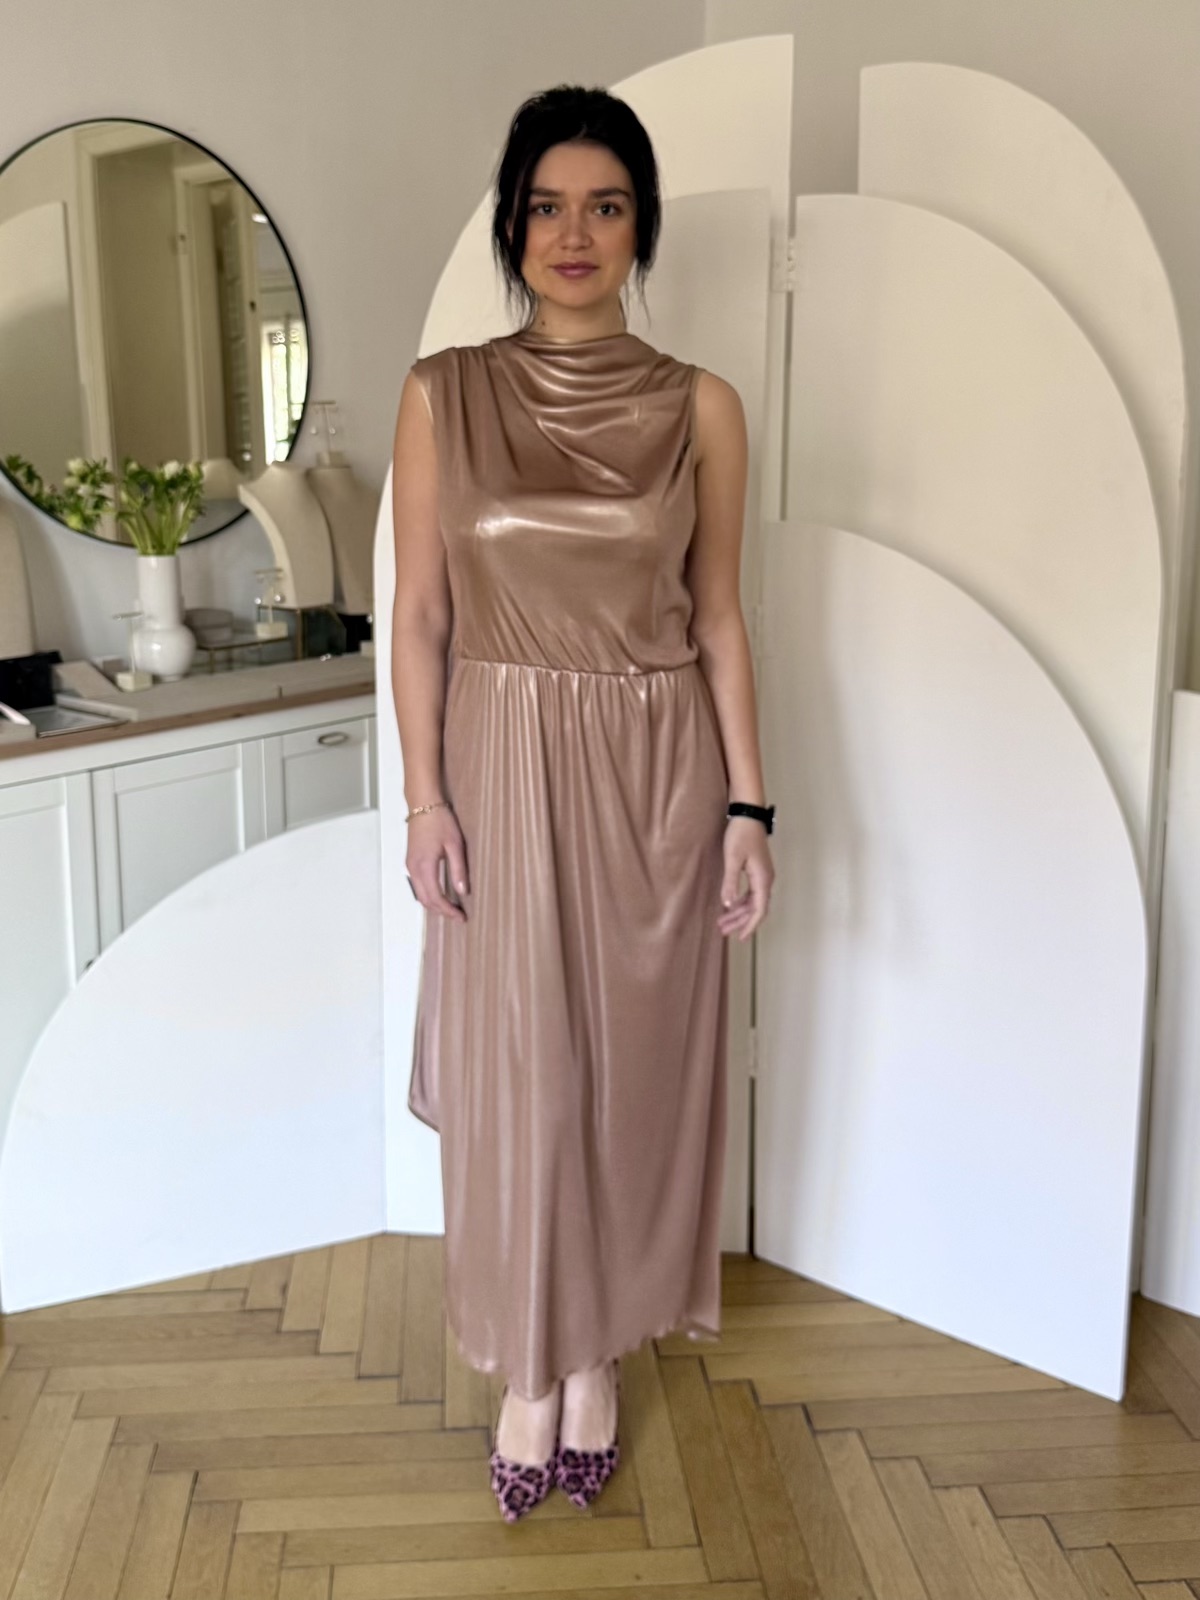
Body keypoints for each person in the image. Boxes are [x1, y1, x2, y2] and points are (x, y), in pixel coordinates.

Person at [390, 84, 774, 1523]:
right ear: (512, 226)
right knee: (523, 1086)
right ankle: (530, 1363)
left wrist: (751, 810)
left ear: (639, 228)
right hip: (498, 764)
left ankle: (599, 1349)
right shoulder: (444, 393)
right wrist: (425, 801)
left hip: (657, 774)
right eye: (546, 206)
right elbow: (420, 617)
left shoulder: (702, 406)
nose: (574, 233)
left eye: (605, 206)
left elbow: (718, 615)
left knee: (628, 1079)